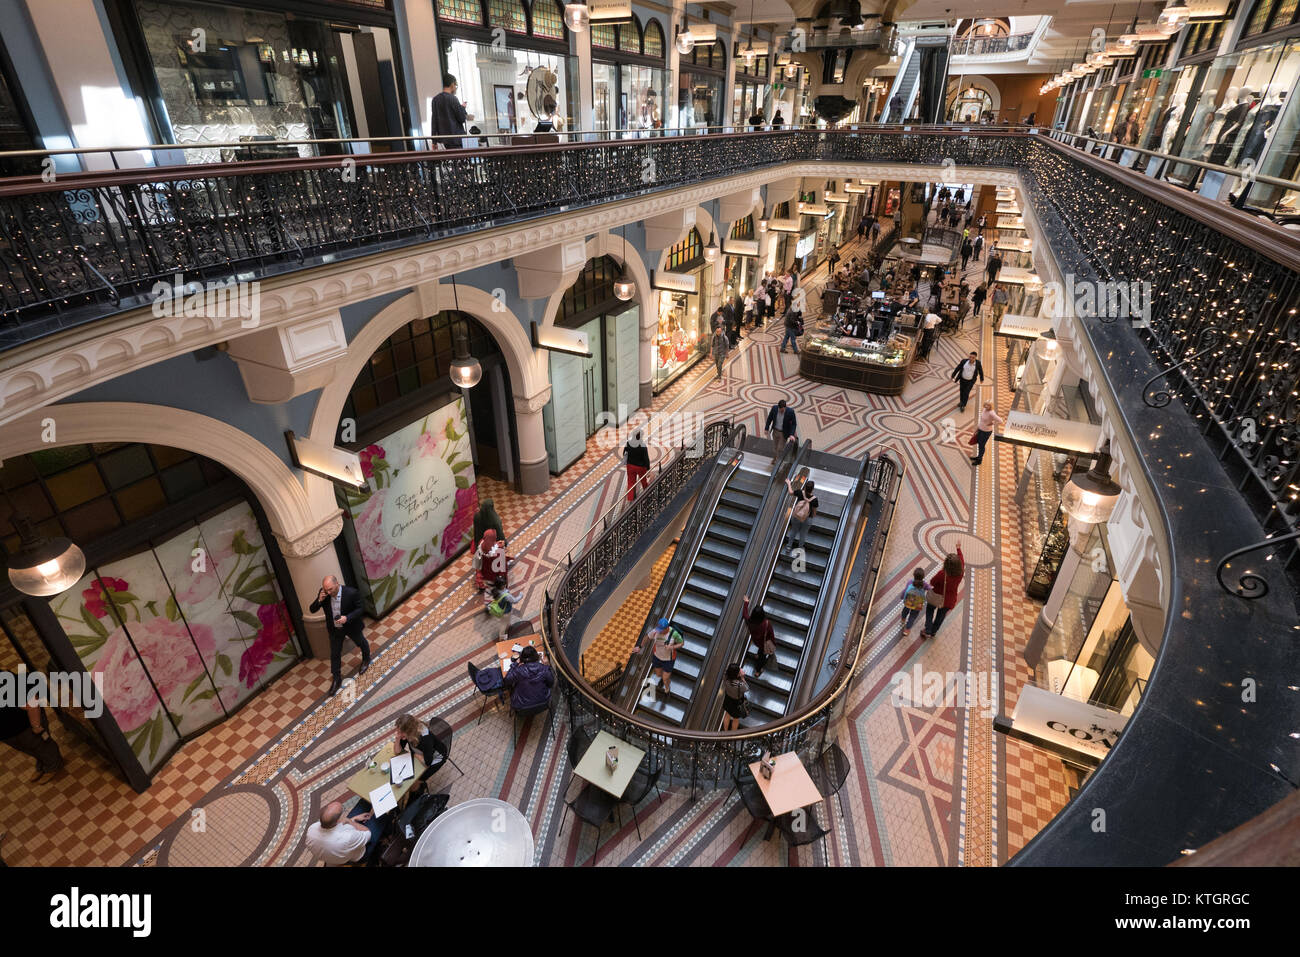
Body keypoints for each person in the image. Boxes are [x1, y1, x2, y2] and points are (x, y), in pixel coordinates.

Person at [309, 576, 371, 696]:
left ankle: (366, 658)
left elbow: (360, 609)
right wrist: (319, 600)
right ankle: (337, 678)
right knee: (335, 653)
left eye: (331, 589)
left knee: (360, 642)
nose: (328, 592)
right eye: (326, 589)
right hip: (335, 629)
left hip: (350, 625)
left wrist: (347, 618)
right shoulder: (324, 594)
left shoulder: (351, 593)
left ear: (337, 584)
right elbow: (312, 610)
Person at [0, 676, 64, 783]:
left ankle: (53, 765)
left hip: (26, 725)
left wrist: (36, 726)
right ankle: (43, 764)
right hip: (7, 732)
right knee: (29, 748)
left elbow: (31, 703)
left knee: (41, 745)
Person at [306, 801, 377, 866]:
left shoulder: (311, 829)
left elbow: (341, 826)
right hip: (359, 856)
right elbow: (368, 833)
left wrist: (354, 819)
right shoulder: (347, 837)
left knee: (363, 802)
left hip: (332, 859)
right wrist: (350, 821)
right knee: (381, 817)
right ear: (338, 821)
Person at [394, 713, 448, 793]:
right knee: (407, 777)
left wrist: (416, 755)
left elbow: (428, 762)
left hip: (437, 758)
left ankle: (421, 791)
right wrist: (398, 738)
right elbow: (397, 751)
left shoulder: (425, 738)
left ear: (410, 731)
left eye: (400, 732)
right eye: (398, 731)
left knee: (413, 782)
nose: (399, 733)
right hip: (422, 756)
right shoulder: (406, 733)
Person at [632, 618, 684, 697]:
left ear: (666, 628)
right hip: (657, 656)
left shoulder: (674, 633)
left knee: (665, 678)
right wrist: (639, 647)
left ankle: (667, 689)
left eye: (661, 630)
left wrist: (672, 647)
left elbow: (681, 643)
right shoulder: (656, 631)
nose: (659, 631)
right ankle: (664, 678)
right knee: (658, 674)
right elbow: (647, 637)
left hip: (669, 659)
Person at [922, 547, 965, 639]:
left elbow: (932, 582)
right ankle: (933, 632)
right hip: (949, 600)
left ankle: (927, 630)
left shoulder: (942, 574)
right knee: (940, 616)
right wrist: (958, 549)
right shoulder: (960, 573)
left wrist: (957, 547)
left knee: (930, 610)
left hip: (936, 596)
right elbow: (962, 559)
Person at [504, 645, 554, 710]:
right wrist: (547, 666)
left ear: (521, 659)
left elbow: (507, 680)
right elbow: (550, 683)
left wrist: (515, 663)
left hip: (522, 706)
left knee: (512, 687)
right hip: (543, 703)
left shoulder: (519, 670)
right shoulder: (544, 668)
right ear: (537, 657)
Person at [429, 73, 471, 145]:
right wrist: (463, 108)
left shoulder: (435, 100)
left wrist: (434, 141)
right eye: (456, 85)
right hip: (457, 140)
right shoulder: (453, 99)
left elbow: (434, 121)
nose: (455, 88)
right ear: (452, 84)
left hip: (444, 141)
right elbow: (462, 118)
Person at [741, 596, 776, 677]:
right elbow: (771, 635)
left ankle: (758, 655)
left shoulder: (749, 621)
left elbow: (745, 614)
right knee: (762, 658)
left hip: (756, 641)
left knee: (760, 651)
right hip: (764, 644)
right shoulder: (766, 624)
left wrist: (746, 602)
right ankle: (758, 670)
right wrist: (773, 644)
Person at [784, 476, 818, 553]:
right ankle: (799, 549)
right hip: (807, 519)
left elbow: (790, 492)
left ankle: (789, 547)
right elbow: (814, 511)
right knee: (803, 534)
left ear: (805, 487)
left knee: (793, 530)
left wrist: (789, 484)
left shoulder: (800, 492)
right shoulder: (815, 499)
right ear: (812, 489)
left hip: (796, 516)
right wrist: (812, 517)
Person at [899, 567, 930, 637]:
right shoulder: (924, 584)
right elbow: (929, 588)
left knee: (905, 610)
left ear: (914, 575)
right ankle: (907, 629)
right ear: (923, 577)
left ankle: (903, 619)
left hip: (908, 602)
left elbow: (905, 590)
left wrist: (902, 597)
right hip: (917, 604)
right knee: (912, 616)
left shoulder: (910, 582)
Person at [970, 400, 1003, 466]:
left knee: (981, 446)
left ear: (991, 406)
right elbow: (982, 420)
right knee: (979, 444)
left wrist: (993, 423)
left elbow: (1001, 421)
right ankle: (978, 457)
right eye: (985, 404)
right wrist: (977, 429)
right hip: (980, 429)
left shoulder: (991, 413)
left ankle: (979, 460)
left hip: (986, 432)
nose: (986, 406)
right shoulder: (984, 409)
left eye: (988, 405)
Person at [623, 427, 651, 501]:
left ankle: (630, 500)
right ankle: (647, 495)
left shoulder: (628, 443)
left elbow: (624, 453)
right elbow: (646, 459)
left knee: (631, 483)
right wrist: (648, 469)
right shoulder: (643, 446)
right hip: (641, 467)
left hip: (630, 466)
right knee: (643, 481)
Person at [721, 663, 749, 731]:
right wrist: (742, 677)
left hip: (728, 699)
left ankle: (725, 731)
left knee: (727, 714)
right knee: (736, 719)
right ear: (737, 674)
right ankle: (732, 734)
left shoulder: (725, 677)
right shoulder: (740, 685)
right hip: (736, 702)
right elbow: (747, 688)